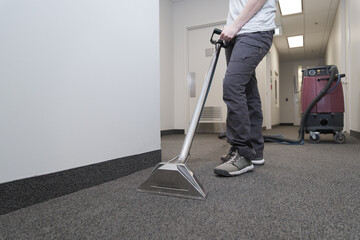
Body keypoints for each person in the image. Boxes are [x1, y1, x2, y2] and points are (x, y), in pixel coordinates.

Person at [214, 0, 276, 177]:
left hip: (254, 31)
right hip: (236, 35)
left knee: (232, 85)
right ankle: (255, 151)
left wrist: (235, 26)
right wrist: (231, 27)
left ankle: (242, 152)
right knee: (248, 91)